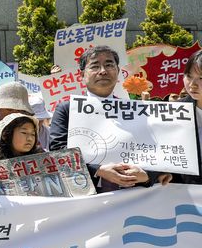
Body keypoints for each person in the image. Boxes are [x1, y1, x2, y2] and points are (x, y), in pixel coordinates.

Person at [49, 45, 153, 192]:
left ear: (118, 71)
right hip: (86, 196)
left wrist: (147, 175)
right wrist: (98, 170)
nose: (103, 71)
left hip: (132, 196)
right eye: (95, 66)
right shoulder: (66, 109)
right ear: (82, 74)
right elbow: (57, 152)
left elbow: (154, 150)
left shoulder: (135, 110)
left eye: (109, 65)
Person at [168, 49, 202, 185]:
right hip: (182, 195)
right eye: (188, 76)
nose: (192, 84)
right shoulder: (172, 111)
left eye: (201, 78)